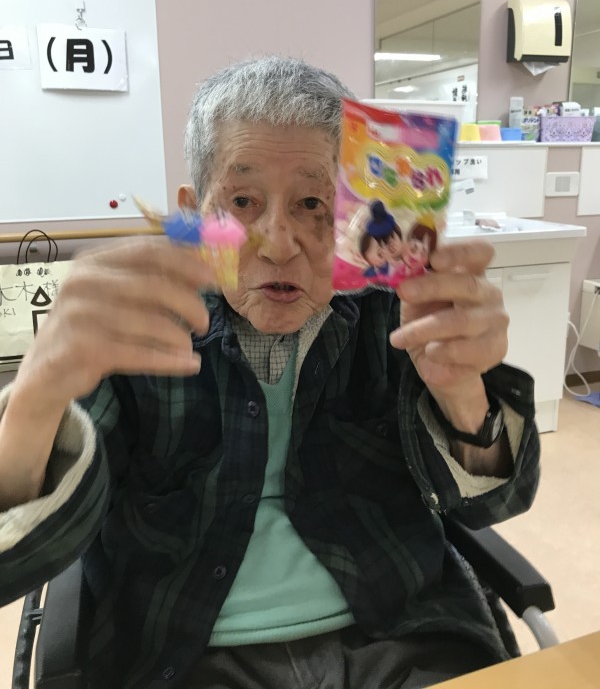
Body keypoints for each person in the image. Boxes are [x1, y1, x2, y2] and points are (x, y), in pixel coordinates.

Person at [0, 56, 540, 689]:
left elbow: (496, 503)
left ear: (351, 209)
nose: (279, 243)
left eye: (313, 203)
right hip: (184, 656)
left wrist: (462, 391)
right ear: (195, 213)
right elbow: (22, 559)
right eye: (242, 201)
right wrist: (35, 397)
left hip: (400, 636)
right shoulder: (140, 327)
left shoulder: (398, 317)